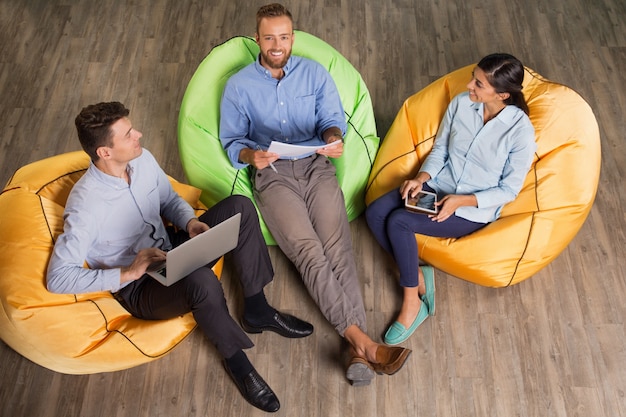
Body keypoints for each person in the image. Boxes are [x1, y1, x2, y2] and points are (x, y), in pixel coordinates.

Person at [46, 101, 315, 413]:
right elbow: (58, 277)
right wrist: (128, 273)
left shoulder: (142, 160)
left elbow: (168, 198)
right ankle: (238, 363)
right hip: (141, 286)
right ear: (105, 152)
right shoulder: (85, 206)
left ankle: (257, 309)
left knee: (240, 207)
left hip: (172, 246)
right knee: (202, 281)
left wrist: (189, 222)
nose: (139, 134)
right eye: (128, 134)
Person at [219, 3, 411, 386]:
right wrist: (250, 155)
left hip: (316, 167)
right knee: (309, 252)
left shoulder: (314, 73)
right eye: (269, 37)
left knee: (338, 248)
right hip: (272, 176)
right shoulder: (239, 85)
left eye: (284, 36)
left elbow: (332, 122)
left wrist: (334, 140)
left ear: (293, 36)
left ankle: (358, 348)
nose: (277, 45)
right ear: (257, 38)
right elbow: (231, 142)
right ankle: (365, 344)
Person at [366, 53, 537, 345]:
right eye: (473, 77)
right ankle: (420, 275)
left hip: (470, 210)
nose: (470, 85)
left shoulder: (520, 132)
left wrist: (461, 201)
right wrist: (421, 178)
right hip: (438, 186)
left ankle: (412, 301)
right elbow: (440, 150)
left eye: (479, 84)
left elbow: (509, 190)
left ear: (503, 94)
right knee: (376, 212)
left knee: (399, 222)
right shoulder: (461, 103)